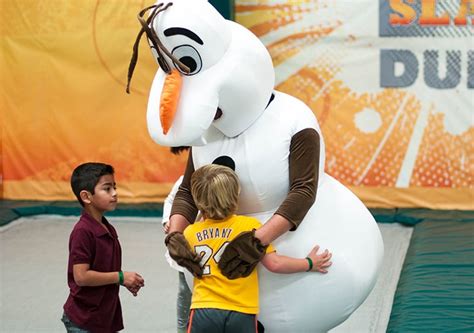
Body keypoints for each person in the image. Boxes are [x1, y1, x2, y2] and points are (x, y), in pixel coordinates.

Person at [166, 164, 332, 332]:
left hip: (203, 309)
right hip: (241, 311)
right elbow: (275, 264)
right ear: (235, 196)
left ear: (197, 200)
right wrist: (309, 263)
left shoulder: (190, 232)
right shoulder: (249, 226)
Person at [62, 162, 145, 333]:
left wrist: (123, 281)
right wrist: (120, 277)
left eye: (114, 187)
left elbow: (103, 267)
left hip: (104, 316)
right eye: (107, 189)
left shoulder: (106, 227)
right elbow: (81, 277)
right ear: (86, 196)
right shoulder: (82, 231)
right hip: (85, 320)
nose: (114, 193)